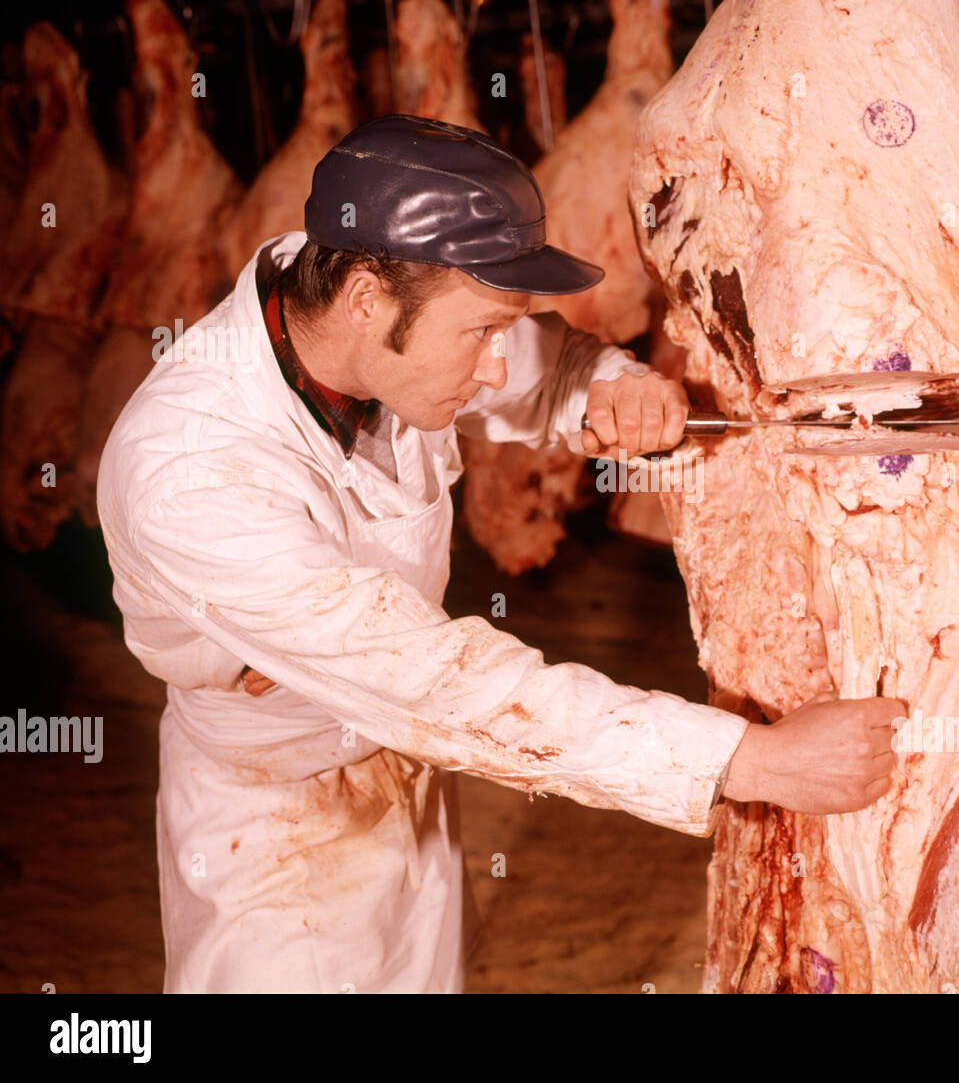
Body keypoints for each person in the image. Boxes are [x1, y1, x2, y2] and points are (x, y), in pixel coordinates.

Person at [97, 116, 901, 993]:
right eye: (479, 332)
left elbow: (541, 366)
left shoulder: (356, 305)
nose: (493, 366)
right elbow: (441, 681)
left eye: (500, 329)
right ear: (366, 299)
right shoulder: (190, 469)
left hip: (409, 780)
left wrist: (610, 383)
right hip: (270, 815)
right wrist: (752, 761)